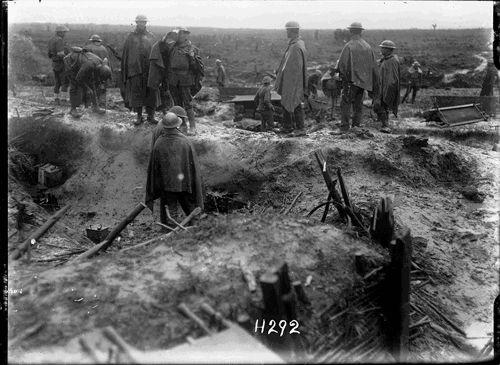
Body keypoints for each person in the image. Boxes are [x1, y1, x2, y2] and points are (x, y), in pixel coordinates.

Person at [145, 112, 204, 227]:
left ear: (165, 126)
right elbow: (193, 166)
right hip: (185, 182)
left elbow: (155, 168)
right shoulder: (185, 141)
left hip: (167, 185)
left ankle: (171, 228)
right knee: (190, 205)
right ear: (177, 125)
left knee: (170, 208)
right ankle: (195, 226)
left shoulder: (159, 143)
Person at [157, 26, 204, 136]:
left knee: (187, 103)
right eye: (179, 34)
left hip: (185, 79)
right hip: (173, 79)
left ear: (186, 35)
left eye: (183, 34)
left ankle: (192, 127)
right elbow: (161, 48)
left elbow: (196, 67)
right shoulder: (172, 47)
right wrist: (166, 37)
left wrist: (192, 57)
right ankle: (182, 126)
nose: (181, 36)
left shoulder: (192, 48)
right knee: (177, 104)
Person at [337, 22, 379, 132]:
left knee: (345, 103)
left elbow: (342, 64)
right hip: (363, 82)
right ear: (361, 31)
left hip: (350, 81)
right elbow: (373, 65)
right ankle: (356, 127)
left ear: (350, 31)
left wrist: (341, 76)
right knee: (358, 104)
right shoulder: (367, 46)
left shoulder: (349, 46)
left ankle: (344, 128)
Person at [121, 14, 159, 125]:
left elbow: (156, 53)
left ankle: (151, 116)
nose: (141, 24)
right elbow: (126, 55)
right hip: (135, 70)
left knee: (151, 92)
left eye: (143, 22)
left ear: (146, 23)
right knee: (137, 93)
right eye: (139, 22)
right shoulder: (131, 37)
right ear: (136, 23)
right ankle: (138, 116)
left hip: (150, 70)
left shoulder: (151, 36)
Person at [275, 21, 307, 137]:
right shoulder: (295, 44)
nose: (286, 32)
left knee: (296, 102)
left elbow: (296, 67)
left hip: (294, 81)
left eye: (287, 30)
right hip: (289, 80)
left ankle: (301, 128)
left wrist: (292, 82)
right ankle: (287, 126)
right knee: (286, 100)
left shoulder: (296, 46)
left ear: (292, 30)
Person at [63, 47, 112, 118]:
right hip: (70, 62)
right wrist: (87, 88)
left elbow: (94, 81)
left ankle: (95, 107)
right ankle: (73, 109)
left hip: (81, 64)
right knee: (74, 85)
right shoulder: (88, 65)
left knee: (92, 85)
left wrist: (96, 85)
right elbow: (78, 79)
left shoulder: (101, 63)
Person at [373, 40, 400, 133]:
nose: (381, 49)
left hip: (387, 87)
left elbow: (392, 77)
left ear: (388, 49)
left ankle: (385, 125)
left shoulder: (392, 61)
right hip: (381, 87)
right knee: (382, 106)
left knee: (379, 106)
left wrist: (386, 88)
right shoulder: (385, 60)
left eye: (383, 48)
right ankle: (384, 124)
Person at [85, 34, 113, 108]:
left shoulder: (88, 48)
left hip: (93, 72)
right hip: (104, 71)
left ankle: (91, 105)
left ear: (92, 41)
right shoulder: (104, 49)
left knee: (91, 88)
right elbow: (108, 61)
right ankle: (102, 105)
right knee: (102, 89)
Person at [47, 25, 70, 105]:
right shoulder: (59, 40)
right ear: (59, 32)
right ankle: (63, 100)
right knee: (65, 82)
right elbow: (61, 54)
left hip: (54, 63)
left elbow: (49, 54)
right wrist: (68, 58)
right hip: (61, 63)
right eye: (64, 32)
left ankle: (56, 99)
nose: (65, 34)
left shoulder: (51, 40)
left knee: (57, 82)